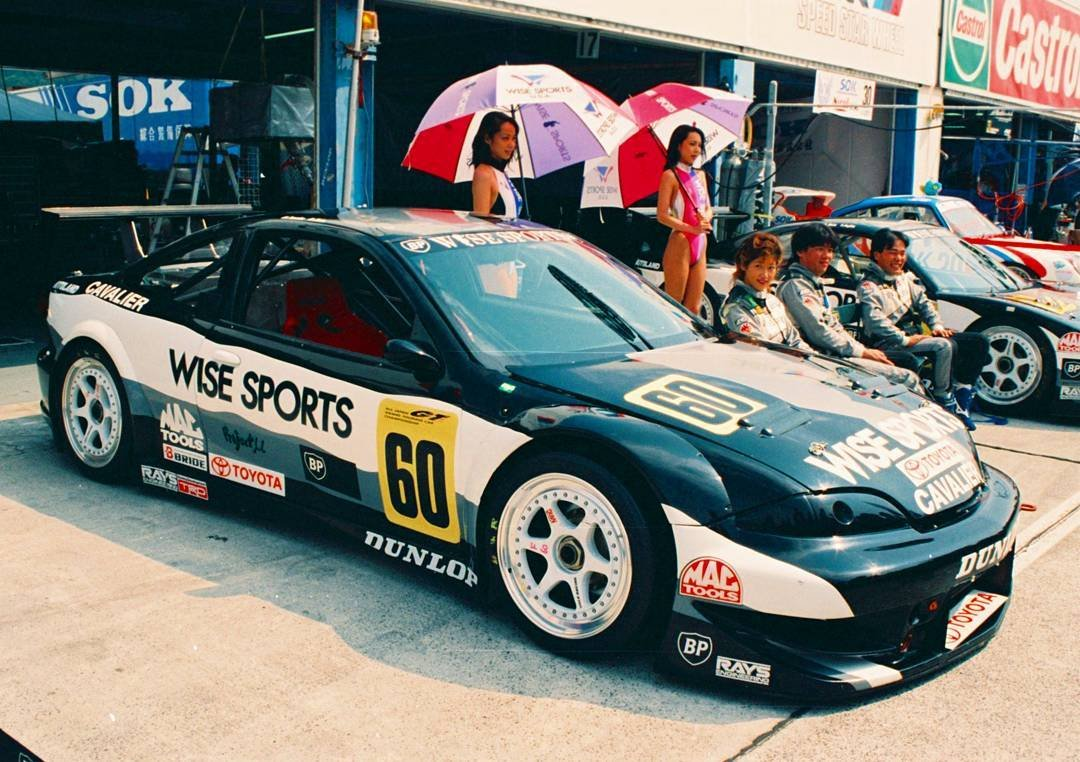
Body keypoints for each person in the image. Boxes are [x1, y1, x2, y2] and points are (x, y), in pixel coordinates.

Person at [858, 228, 991, 430]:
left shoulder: (904, 280)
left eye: (902, 253)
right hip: (888, 343)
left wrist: (936, 326)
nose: (899, 258)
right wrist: (905, 339)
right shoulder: (869, 285)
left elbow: (925, 304)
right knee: (943, 346)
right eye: (893, 252)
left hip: (914, 337)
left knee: (978, 341)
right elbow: (875, 321)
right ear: (877, 255)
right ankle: (944, 400)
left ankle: (962, 397)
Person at [776, 222, 921, 390]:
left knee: (905, 362)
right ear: (800, 251)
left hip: (835, 355)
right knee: (908, 379)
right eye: (820, 249)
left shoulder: (812, 283)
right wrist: (862, 352)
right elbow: (819, 333)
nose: (827, 256)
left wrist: (861, 350)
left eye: (830, 250)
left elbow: (834, 326)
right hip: (822, 362)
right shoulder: (796, 286)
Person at [657, 125, 712, 315]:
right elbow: (662, 215)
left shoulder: (701, 175)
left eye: (700, 145)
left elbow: (708, 208)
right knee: (675, 307)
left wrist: (705, 219)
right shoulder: (670, 175)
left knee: (694, 308)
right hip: (680, 241)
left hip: (701, 242)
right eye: (692, 144)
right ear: (679, 146)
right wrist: (691, 228)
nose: (697, 150)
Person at [720, 232, 807, 349]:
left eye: (771, 267)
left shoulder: (773, 301)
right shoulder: (735, 307)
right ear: (744, 265)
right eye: (758, 266)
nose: (765, 275)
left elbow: (795, 340)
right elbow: (760, 350)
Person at [470, 111, 523, 218]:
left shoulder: (500, 173)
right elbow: (481, 224)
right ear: (488, 139)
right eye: (505, 138)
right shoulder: (483, 173)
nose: (512, 145)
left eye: (514, 138)